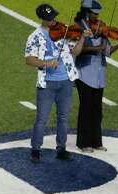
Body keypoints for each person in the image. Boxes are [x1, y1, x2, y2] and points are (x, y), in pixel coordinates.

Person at [25, 3, 87, 163]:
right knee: (41, 119)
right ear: (42, 19)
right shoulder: (35, 36)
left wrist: (83, 38)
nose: (53, 20)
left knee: (63, 117)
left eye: (53, 17)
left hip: (66, 81)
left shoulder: (65, 32)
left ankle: (61, 149)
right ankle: (35, 150)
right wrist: (46, 63)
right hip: (47, 84)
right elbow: (29, 59)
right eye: (49, 18)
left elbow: (75, 52)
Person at [74, 0, 118, 152]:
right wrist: (96, 47)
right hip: (84, 73)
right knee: (85, 108)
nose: (97, 17)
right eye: (94, 14)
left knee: (97, 109)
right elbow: (74, 50)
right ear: (86, 12)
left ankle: (96, 141)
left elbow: (107, 51)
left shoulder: (101, 27)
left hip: (99, 74)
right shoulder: (77, 27)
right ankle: (83, 143)